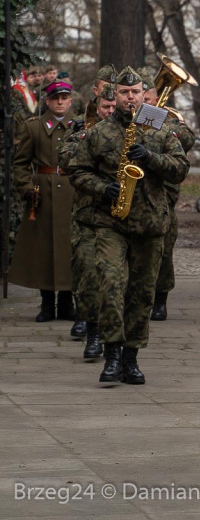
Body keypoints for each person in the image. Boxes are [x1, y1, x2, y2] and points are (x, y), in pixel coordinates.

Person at [67, 67, 189, 384]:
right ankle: (111, 354)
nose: (130, 98)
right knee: (109, 285)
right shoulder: (99, 132)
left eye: (135, 92)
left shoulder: (159, 126)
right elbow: (77, 172)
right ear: (115, 95)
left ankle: (131, 357)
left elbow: (179, 169)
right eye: (124, 92)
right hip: (110, 221)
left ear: (143, 94)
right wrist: (102, 188)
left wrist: (150, 158)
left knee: (142, 293)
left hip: (149, 223)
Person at [9, 80, 76, 326]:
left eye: (64, 98)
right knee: (43, 248)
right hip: (42, 195)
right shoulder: (34, 127)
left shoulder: (79, 126)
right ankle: (47, 303)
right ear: (47, 101)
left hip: (72, 192)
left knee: (71, 247)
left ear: (70, 101)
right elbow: (20, 162)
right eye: (55, 98)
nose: (60, 102)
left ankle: (68, 303)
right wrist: (25, 187)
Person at [59, 83, 117, 360]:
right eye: (105, 107)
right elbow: (65, 160)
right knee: (88, 276)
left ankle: (112, 340)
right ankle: (91, 332)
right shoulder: (81, 132)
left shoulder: (133, 134)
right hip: (88, 217)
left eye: (113, 107)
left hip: (121, 220)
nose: (110, 111)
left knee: (114, 282)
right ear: (97, 107)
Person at [141, 80, 197, 321]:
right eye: (139, 98)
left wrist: (159, 120)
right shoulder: (124, 122)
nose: (143, 102)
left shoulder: (169, 120)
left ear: (155, 99)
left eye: (148, 98)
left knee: (164, 250)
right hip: (135, 194)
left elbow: (188, 140)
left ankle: (161, 298)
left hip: (164, 196)